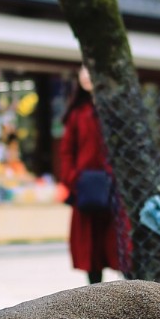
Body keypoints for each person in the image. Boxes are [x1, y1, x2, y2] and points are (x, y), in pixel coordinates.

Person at [56, 68, 128, 281]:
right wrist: (73, 179)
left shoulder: (116, 111)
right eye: (83, 71)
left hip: (115, 186)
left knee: (118, 244)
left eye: (91, 69)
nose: (87, 75)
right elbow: (67, 151)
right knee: (90, 247)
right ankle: (95, 295)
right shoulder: (77, 113)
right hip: (86, 187)